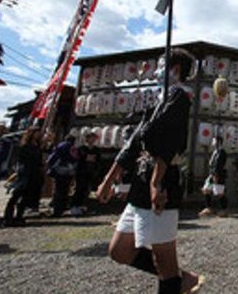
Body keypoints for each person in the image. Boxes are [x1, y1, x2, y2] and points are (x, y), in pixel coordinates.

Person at [96, 49, 203, 294]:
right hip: (142, 180)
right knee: (119, 250)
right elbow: (134, 142)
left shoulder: (179, 96)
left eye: (162, 64)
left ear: (175, 69)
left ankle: (175, 281)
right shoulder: (159, 99)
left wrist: (156, 183)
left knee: (163, 259)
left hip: (162, 180)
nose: (157, 69)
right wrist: (108, 179)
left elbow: (169, 141)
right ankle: (182, 279)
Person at [3, 126, 43, 226]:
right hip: (25, 172)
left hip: (34, 173)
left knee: (26, 196)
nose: (38, 135)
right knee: (16, 195)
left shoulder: (37, 146)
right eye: (36, 133)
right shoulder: (24, 146)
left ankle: (19, 216)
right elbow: (21, 160)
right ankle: (8, 217)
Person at [70, 130, 101, 216]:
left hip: (91, 171)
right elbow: (83, 158)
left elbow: (97, 160)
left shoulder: (96, 149)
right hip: (81, 171)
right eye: (91, 138)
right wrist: (89, 158)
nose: (93, 140)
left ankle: (83, 206)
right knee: (79, 188)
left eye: (94, 138)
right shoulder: (81, 149)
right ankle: (75, 206)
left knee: (87, 190)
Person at [46, 134, 78, 217]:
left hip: (60, 171)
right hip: (69, 171)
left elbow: (53, 158)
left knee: (58, 191)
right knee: (65, 190)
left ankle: (57, 210)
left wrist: (49, 166)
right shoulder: (74, 148)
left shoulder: (61, 146)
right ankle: (63, 208)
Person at [198, 134, 229, 217]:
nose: (212, 142)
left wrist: (216, 175)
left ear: (218, 142)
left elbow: (219, 165)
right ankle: (208, 208)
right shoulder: (215, 152)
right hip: (212, 174)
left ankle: (224, 209)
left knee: (219, 193)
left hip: (218, 174)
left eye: (214, 140)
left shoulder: (222, 152)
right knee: (206, 189)